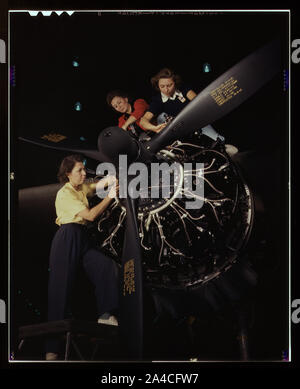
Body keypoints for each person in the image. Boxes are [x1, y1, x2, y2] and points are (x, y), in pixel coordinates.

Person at [45, 154, 119, 361]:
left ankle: (106, 315)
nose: (84, 174)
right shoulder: (65, 193)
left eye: (84, 170)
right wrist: (110, 196)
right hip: (67, 236)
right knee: (60, 289)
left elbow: (99, 184)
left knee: (105, 266)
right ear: (68, 174)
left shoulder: (81, 188)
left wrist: (115, 177)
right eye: (80, 170)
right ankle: (51, 349)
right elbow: (90, 216)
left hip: (82, 237)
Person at [140, 68, 238, 155]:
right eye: (162, 86)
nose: (166, 89)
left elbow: (198, 102)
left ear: (175, 82)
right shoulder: (157, 100)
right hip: (178, 129)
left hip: (195, 121)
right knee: (161, 116)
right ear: (158, 86)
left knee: (219, 141)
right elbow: (143, 121)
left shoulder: (184, 89)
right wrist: (154, 128)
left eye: (169, 85)